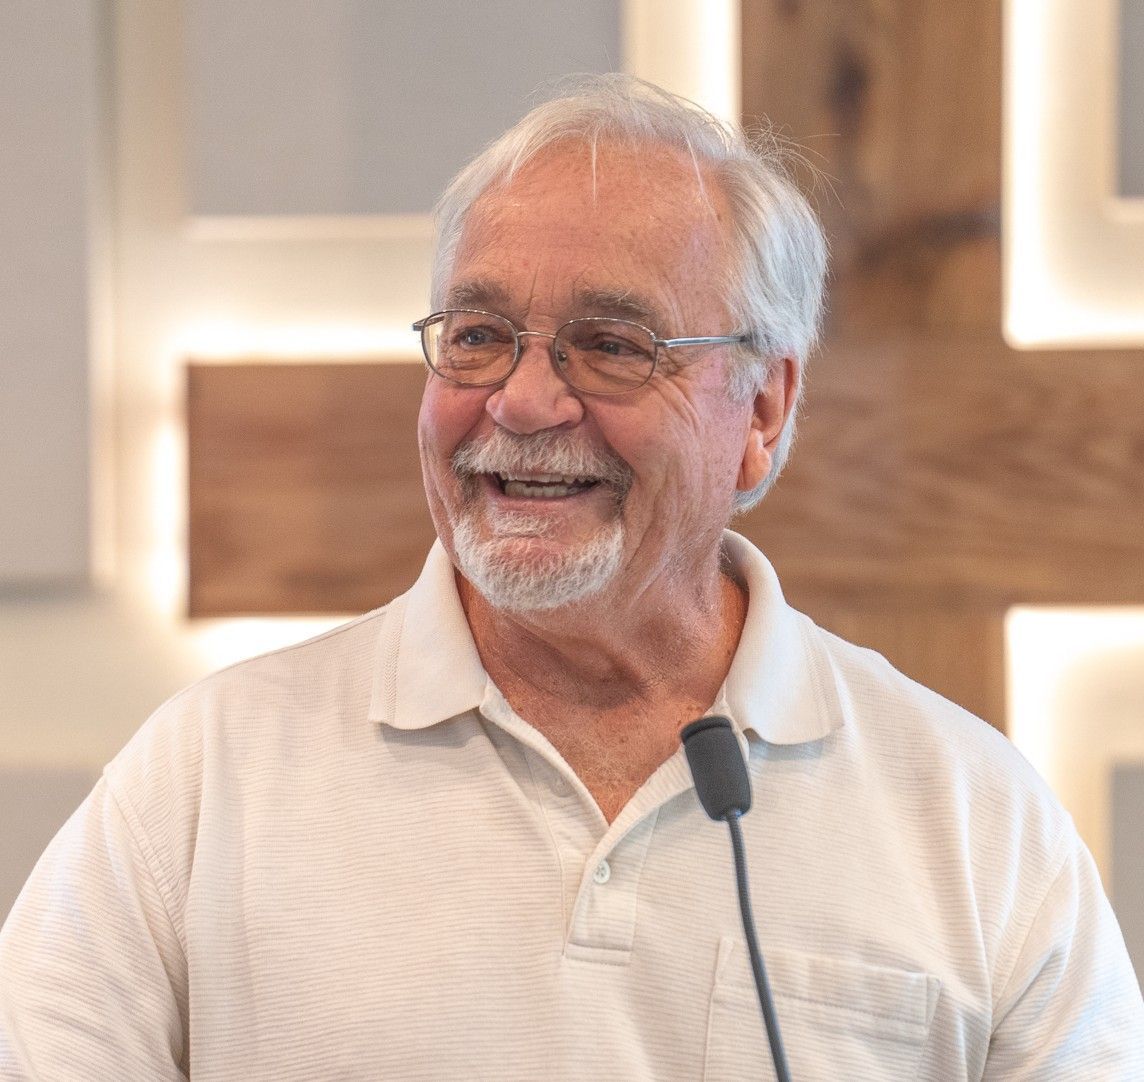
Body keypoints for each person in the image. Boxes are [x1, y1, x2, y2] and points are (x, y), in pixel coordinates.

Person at [2, 74, 1142, 1080]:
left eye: (612, 344)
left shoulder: (972, 815)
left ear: (762, 409)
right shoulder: (206, 778)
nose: (522, 401)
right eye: (478, 333)